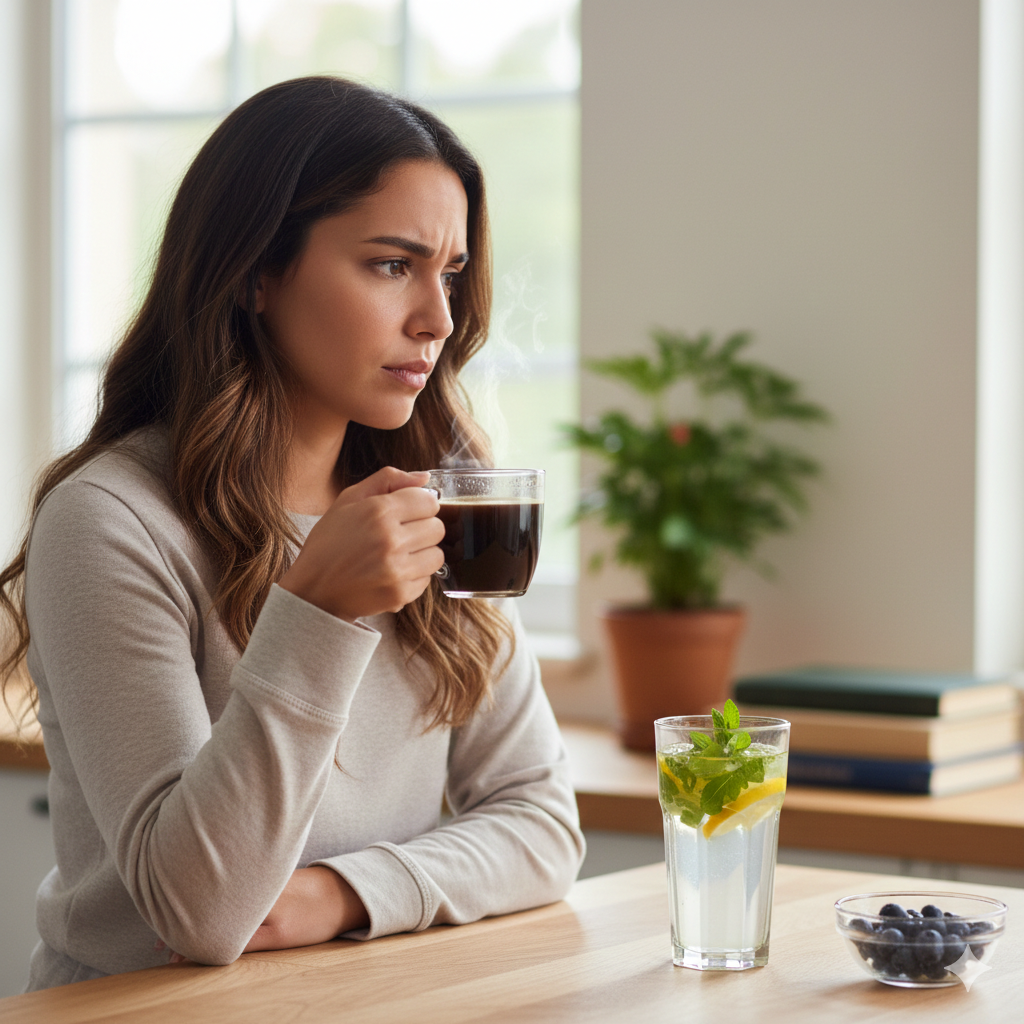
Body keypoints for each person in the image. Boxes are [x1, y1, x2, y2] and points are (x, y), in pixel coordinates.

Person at [0, 76, 584, 991]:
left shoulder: (439, 503)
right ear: (256, 273)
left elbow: (543, 824)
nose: (438, 318)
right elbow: (200, 909)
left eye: (452, 271)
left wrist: (341, 895)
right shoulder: (112, 522)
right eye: (392, 264)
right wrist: (319, 609)